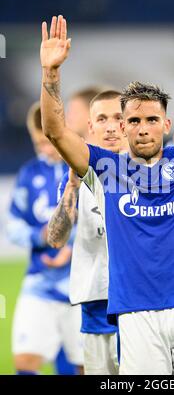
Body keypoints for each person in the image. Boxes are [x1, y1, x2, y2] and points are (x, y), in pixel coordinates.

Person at [40, 8, 174, 374]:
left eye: (152, 119)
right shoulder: (105, 168)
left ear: (166, 123)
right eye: (134, 120)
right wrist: (51, 73)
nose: (144, 128)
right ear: (123, 125)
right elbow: (56, 132)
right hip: (135, 315)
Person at [48, 90, 128, 375]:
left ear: (129, 122)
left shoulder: (148, 172)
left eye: (118, 118)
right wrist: (72, 187)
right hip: (96, 303)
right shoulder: (77, 176)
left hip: (140, 301)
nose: (110, 126)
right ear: (90, 126)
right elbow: (55, 239)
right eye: (101, 118)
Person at [7, 102, 83, 375]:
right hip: (39, 281)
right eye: (38, 143)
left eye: (49, 143)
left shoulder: (83, 167)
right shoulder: (29, 173)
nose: (44, 149)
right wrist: (40, 236)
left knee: (83, 365)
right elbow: (13, 225)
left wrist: (71, 246)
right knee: (25, 362)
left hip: (80, 285)